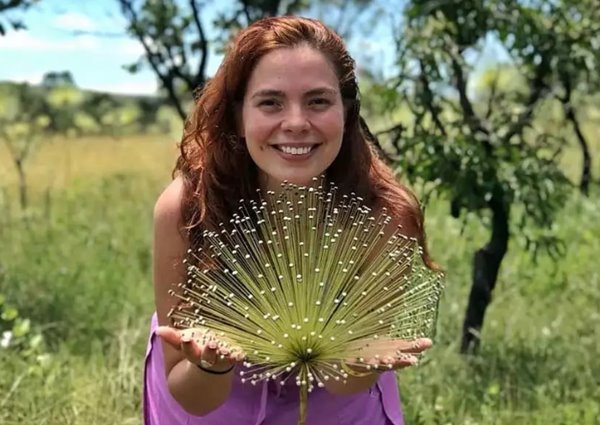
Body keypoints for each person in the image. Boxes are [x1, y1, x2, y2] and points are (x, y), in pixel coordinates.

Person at [144, 16, 437, 425]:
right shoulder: (188, 210)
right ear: (237, 115)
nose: (297, 122)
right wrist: (211, 363)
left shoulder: (384, 216)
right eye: (270, 102)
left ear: (347, 111)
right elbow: (190, 394)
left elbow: (346, 384)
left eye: (318, 101)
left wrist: (357, 363)